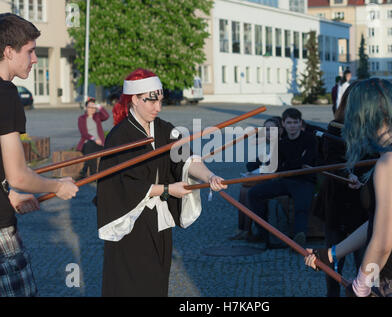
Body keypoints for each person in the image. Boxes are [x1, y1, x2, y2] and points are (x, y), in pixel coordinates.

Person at [305, 78, 392, 297]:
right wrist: (332, 253)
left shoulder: (390, 161)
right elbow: (377, 223)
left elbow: (382, 242)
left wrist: (361, 285)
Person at [96, 68, 227, 297]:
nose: (158, 107)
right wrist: (167, 189)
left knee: (157, 282)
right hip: (132, 223)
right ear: (134, 99)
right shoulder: (119, 137)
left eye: (160, 100)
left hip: (158, 221)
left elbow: (186, 159)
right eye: (151, 101)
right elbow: (121, 185)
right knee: (132, 284)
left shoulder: (165, 129)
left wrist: (209, 177)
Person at [0, 13, 78, 297]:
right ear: (9, 52)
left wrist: (9, 196)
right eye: (30, 51)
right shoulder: (6, 94)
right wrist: (57, 186)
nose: (34, 59)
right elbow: (18, 174)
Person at [313, 80, 371, 297]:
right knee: (333, 260)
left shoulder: (374, 131)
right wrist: (348, 175)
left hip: (364, 205)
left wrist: (367, 177)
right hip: (337, 203)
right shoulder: (335, 128)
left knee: (365, 265)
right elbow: (331, 161)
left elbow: (378, 161)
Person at [247, 108, 317, 246]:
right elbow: (278, 167)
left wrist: (290, 164)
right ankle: (265, 232)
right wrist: (297, 162)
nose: (292, 126)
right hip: (285, 180)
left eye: (295, 122)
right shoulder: (280, 143)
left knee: (301, 206)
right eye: (289, 122)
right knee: (253, 193)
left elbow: (309, 160)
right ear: (283, 124)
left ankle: (298, 239)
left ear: (300, 123)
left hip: (305, 181)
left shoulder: (310, 139)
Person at [229, 116, 284, 241]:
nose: (269, 133)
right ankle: (242, 229)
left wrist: (255, 173)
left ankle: (247, 230)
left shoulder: (282, 144)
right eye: (267, 130)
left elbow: (273, 167)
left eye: (272, 129)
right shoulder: (270, 145)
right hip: (267, 176)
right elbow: (260, 164)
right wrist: (254, 171)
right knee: (244, 189)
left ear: (280, 130)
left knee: (247, 190)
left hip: (277, 179)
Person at [76, 97, 109, 178]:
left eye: (93, 107)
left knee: (92, 152)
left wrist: (99, 106)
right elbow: (84, 133)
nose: (92, 109)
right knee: (90, 147)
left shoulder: (97, 116)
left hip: (99, 144)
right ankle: (93, 173)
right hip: (87, 142)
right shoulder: (82, 118)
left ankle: (85, 169)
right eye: (90, 107)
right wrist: (94, 139)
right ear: (86, 108)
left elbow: (106, 116)